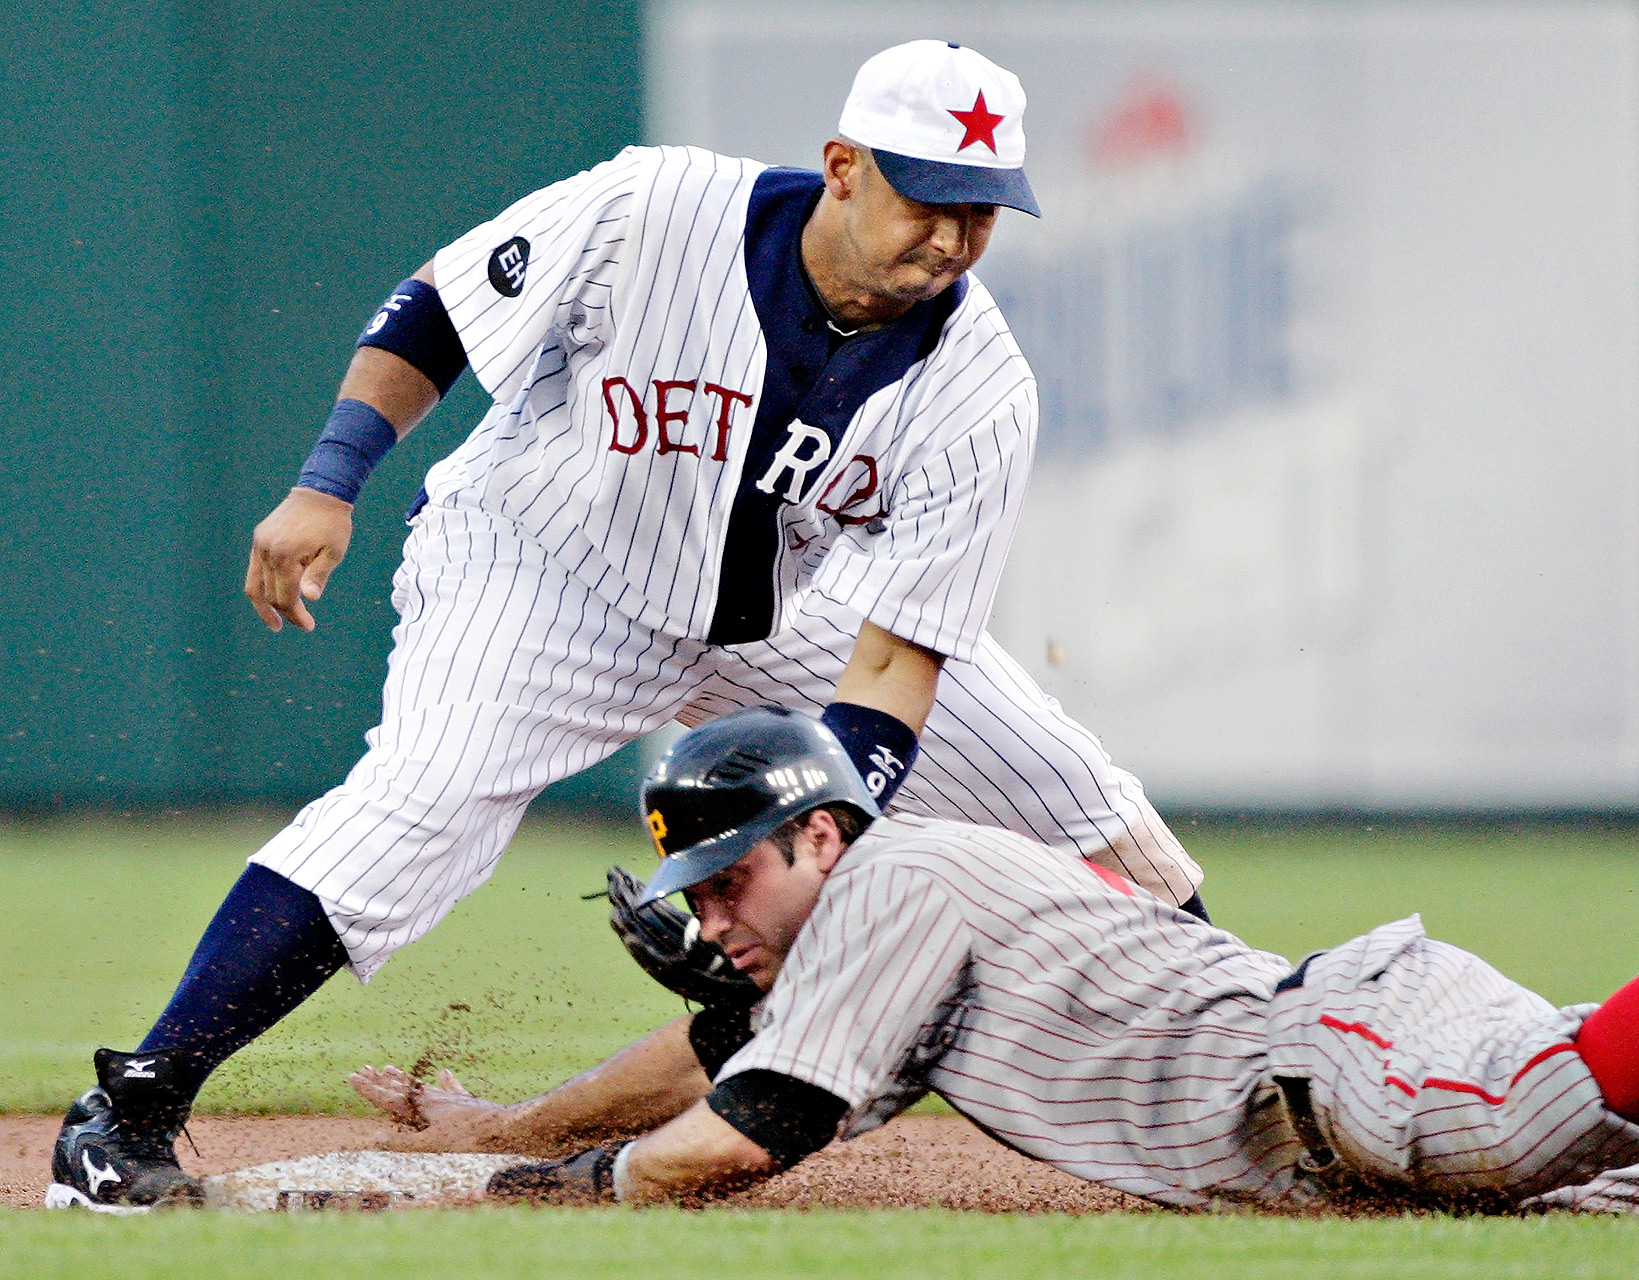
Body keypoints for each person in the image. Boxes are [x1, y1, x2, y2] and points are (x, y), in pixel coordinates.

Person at [46, 40, 1205, 1213]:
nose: (953, 238)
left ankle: (1245, 1064)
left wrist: (817, 850)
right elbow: (442, 306)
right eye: (929, 198)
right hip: (547, 570)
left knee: (1065, 792)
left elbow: (895, 666)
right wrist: (328, 478)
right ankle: (128, 1109)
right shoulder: (656, 207)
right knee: (426, 796)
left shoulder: (978, 386)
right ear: (843, 167)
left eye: (982, 210)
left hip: (779, 613)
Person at [353, 708, 1639, 1216]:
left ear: (818, 838)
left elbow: (727, 1138)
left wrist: (528, 1192)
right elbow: (724, 1068)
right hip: (1347, 1131)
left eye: (726, 873)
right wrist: (501, 1118)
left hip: (1342, 1052)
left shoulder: (902, 879)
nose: (706, 913)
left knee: (1513, 1116)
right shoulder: (861, 964)